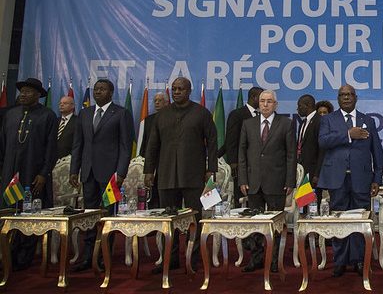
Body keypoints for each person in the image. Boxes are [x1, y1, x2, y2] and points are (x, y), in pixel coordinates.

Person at [144, 77, 217, 272]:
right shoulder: (162, 115)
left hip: (193, 174)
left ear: (189, 91)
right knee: (168, 219)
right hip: (167, 174)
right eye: (174, 89)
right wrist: (149, 170)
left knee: (194, 219)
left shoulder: (201, 113)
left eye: (180, 89)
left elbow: (212, 142)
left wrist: (211, 169)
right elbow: (152, 145)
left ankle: (193, 258)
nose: (176, 92)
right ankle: (170, 257)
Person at [317, 84, 383, 277]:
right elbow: (323, 142)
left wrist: (377, 178)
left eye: (349, 94)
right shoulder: (328, 119)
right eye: (342, 95)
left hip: (362, 178)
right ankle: (340, 261)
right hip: (336, 178)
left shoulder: (367, 120)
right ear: (337, 99)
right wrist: (348, 134)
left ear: (356, 98)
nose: (346, 97)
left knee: (359, 220)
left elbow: (376, 151)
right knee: (339, 220)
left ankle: (357, 260)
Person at [70, 79, 135, 271]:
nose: (98, 92)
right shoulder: (85, 113)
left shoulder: (121, 113)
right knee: (89, 215)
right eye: (96, 89)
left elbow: (125, 146)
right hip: (88, 172)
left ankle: (104, 255)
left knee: (107, 215)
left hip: (110, 174)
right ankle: (88, 255)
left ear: (111, 92)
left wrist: (121, 172)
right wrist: (74, 169)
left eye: (102, 89)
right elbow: (77, 144)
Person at [0, 77, 57, 271]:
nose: (23, 94)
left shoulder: (47, 115)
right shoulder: (10, 115)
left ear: (38, 95)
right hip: (9, 174)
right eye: (21, 91)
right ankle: (6, 253)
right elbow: (2, 144)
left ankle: (24, 256)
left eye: (28, 92)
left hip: (33, 175)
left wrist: (43, 173)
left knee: (29, 214)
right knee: (8, 214)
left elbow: (51, 149)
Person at [238, 90, 295, 273]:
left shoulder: (286, 124)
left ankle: (273, 260)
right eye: (262, 101)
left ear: (275, 105)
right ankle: (256, 258)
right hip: (253, 182)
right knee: (254, 224)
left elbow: (291, 156)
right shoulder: (248, 124)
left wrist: (290, 181)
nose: (265, 104)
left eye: (269, 101)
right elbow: (242, 155)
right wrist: (243, 179)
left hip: (277, 182)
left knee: (275, 224)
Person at [225, 87, 262, 207]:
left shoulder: (263, 116)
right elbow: (231, 140)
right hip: (241, 165)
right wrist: (233, 162)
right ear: (254, 97)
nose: (263, 102)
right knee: (241, 198)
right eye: (261, 99)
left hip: (258, 165)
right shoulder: (237, 114)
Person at [294, 94, 322, 187]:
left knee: (313, 201)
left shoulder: (320, 121)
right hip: (302, 171)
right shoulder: (303, 123)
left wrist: (317, 174)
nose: (298, 109)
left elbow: (322, 150)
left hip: (313, 172)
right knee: (303, 201)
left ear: (308, 105)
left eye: (300, 106)